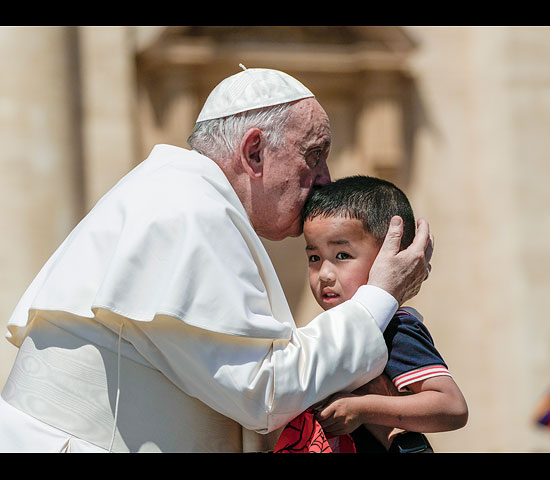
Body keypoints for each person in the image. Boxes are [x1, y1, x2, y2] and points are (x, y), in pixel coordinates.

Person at [0, 67, 434, 453]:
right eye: (314, 155)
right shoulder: (186, 210)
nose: (325, 178)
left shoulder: (185, 196)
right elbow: (264, 390)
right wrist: (379, 296)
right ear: (255, 152)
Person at [273, 176, 467, 453]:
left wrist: (362, 408)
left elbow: (451, 406)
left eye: (342, 255)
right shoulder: (329, 330)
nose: (325, 274)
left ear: (390, 258)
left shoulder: (395, 329)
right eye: (314, 258)